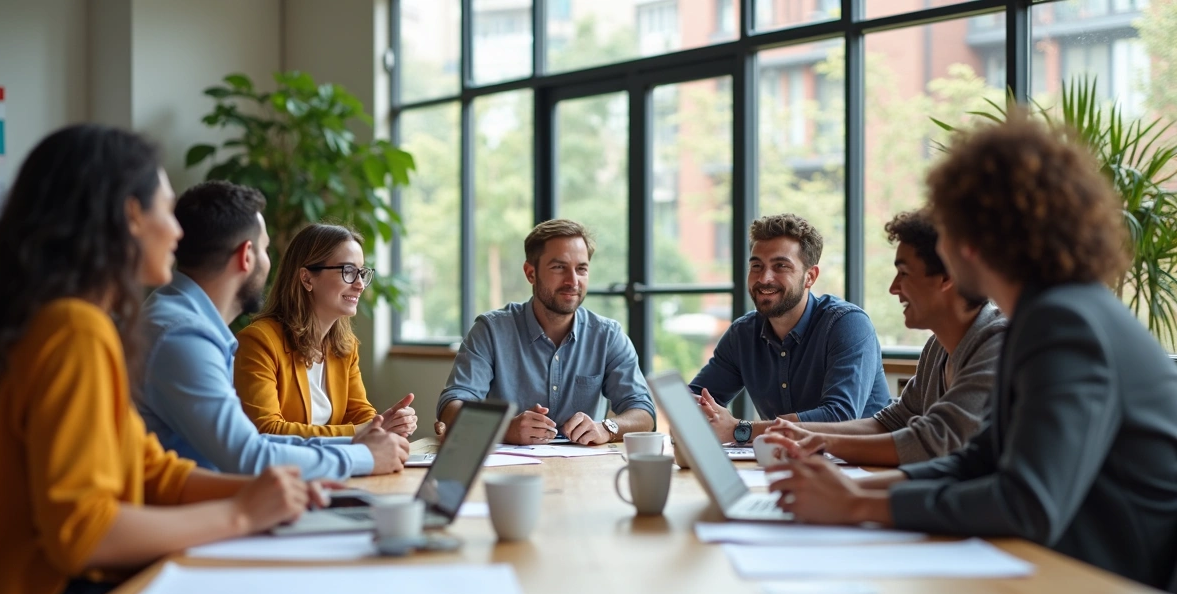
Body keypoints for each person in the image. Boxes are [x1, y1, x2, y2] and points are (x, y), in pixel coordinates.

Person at [765, 114, 1177, 591]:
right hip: (1082, 578)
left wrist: (858, 506)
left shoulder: (1064, 323)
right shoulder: (1054, 312)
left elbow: (1028, 503)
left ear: (974, 239)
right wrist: (851, 488)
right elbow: (975, 461)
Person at [0, 125, 329, 594]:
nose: (177, 233)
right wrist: (241, 514)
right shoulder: (73, 330)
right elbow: (84, 534)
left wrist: (264, 488)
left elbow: (149, 468)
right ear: (130, 217)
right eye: (165, 209)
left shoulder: (54, 319)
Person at [138, 181, 409, 479]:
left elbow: (252, 445)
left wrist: (363, 444)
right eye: (267, 249)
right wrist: (362, 455)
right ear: (247, 256)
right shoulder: (184, 335)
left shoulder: (184, 320)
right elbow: (248, 454)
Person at [716, 210, 1005, 466]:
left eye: (903, 273)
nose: (893, 288)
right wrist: (795, 435)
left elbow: (931, 443)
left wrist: (823, 450)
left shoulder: (997, 342)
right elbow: (892, 422)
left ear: (948, 277)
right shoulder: (937, 348)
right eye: (757, 265)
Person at [436, 219, 655, 445]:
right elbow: (452, 406)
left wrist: (607, 428)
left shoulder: (608, 336)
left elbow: (644, 413)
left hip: (585, 473)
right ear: (530, 273)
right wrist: (504, 429)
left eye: (581, 269)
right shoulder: (491, 331)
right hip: (509, 474)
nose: (573, 281)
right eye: (559, 267)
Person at [689, 214, 891, 447]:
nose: (764, 278)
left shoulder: (847, 324)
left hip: (861, 466)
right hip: (785, 464)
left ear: (810, 277)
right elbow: (696, 397)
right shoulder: (742, 334)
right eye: (756, 266)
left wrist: (739, 429)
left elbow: (839, 416)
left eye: (780, 266)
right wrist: (695, 412)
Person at [234, 223, 418, 440]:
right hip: (280, 471)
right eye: (348, 271)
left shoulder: (345, 346)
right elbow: (268, 430)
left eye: (362, 273)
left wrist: (387, 423)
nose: (360, 284)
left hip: (333, 468)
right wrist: (363, 431)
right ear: (307, 278)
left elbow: (359, 413)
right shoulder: (259, 341)